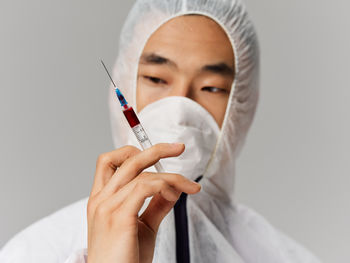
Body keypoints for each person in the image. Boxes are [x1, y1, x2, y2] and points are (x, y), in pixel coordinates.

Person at [0, 0, 322, 262]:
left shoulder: (282, 256)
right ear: (124, 84)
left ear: (243, 104)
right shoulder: (34, 252)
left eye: (211, 87)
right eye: (156, 79)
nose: (180, 107)